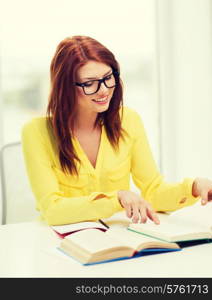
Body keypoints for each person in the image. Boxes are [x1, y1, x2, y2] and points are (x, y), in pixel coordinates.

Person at [21, 35, 212, 226]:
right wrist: (116, 199)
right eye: (89, 83)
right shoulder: (35, 132)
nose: (103, 90)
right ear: (65, 87)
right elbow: (53, 210)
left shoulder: (128, 121)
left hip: (116, 237)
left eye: (108, 78)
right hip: (60, 242)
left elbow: (153, 191)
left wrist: (193, 188)